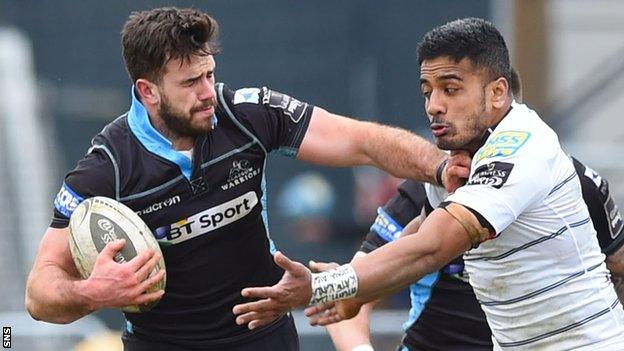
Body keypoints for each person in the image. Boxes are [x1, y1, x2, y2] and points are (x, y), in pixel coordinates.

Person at [24, 7, 469, 351]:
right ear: (147, 91)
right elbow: (39, 294)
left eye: (210, 75)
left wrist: (439, 166)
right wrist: (92, 291)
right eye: (190, 82)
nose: (207, 92)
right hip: (163, 343)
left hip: (263, 336)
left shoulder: (244, 113)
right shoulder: (109, 165)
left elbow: (362, 142)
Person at [232, 17, 624, 349]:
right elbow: (416, 235)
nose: (434, 104)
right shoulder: (455, 164)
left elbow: (433, 247)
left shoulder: (522, 147)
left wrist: (323, 287)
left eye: (451, 89)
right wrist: (354, 289)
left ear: (498, 93)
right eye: (428, 91)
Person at [319, 68, 624, 351]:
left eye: (452, 92)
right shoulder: (428, 187)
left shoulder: (576, 185)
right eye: (429, 94)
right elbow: (353, 288)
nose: (437, 110)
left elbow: (618, 266)